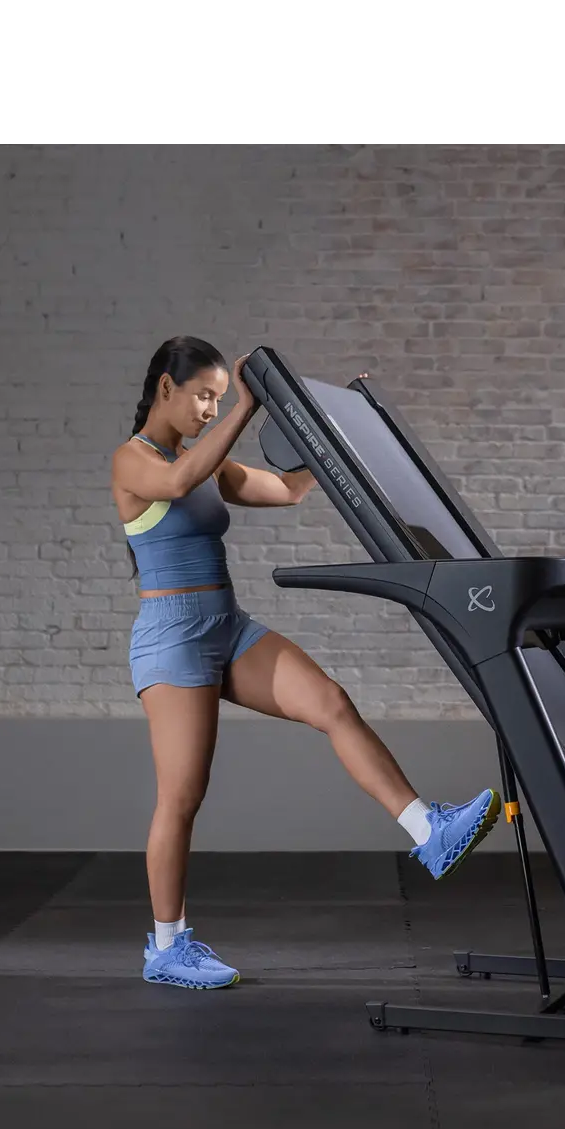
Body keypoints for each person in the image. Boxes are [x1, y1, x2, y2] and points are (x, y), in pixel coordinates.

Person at [110, 335, 500, 990]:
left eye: (220, 399)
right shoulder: (134, 460)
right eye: (205, 396)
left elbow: (290, 490)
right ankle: (167, 947)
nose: (211, 410)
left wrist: (335, 432)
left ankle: (426, 830)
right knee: (182, 795)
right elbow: (178, 483)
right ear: (166, 388)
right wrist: (249, 405)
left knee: (331, 703)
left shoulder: (205, 463)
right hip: (172, 638)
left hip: (226, 625)